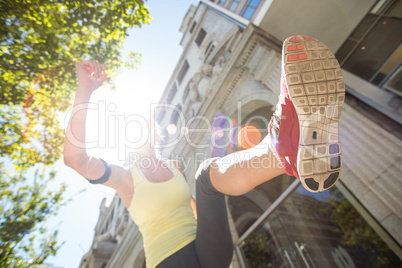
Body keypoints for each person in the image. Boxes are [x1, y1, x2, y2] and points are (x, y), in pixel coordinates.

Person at [63, 35, 344, 268]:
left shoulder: (175, 169)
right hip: (168, 261)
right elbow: (75, 159)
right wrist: (85, 92)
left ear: (156, 133)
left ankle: (289, 151)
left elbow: (200, 214)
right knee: (206, 176)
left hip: (210, 253)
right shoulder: (125, 179)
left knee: (207, 177)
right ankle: (284, 148)